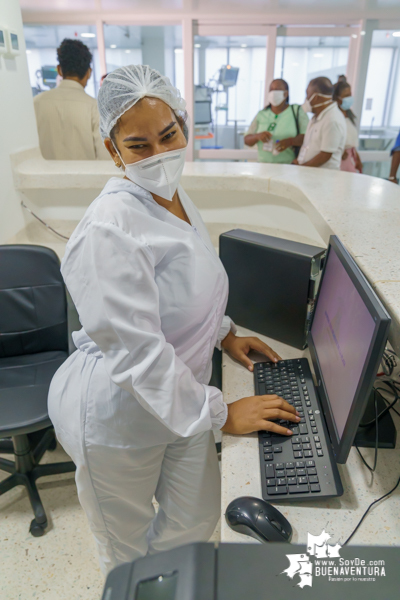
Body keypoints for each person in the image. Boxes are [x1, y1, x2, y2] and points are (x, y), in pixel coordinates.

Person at [47, 65, 300, 575]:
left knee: (195, 518)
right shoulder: (109, 228)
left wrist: (226, 334)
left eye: (169, 134)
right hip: (116, 411)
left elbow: (187, 288)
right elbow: (137, 353)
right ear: (112, 149)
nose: (160, 154)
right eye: (138, 145)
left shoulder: (173, 197)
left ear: (184, 124)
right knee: (127, 550)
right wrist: (223, 414)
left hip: (181, 394)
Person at [33, 39, 109, 160]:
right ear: (89, 72)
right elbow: (105, 157)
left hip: (43, 178)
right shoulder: (95, 108)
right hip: (86, 178)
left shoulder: (35, 103)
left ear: (59, 70)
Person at [244, 79, 308, 164]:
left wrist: (290, 142)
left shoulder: (296, 111)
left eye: (277, 89)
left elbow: (308, 137)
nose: (273, 93)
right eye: (271, 90)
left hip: (288, 166)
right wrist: (257, 136)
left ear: (286, 93)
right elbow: (247, 140)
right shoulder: (262, 114)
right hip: (263, 165)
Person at [296, 77, 346, 170]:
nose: (306, 98)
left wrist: (302, 169)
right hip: (310, 173)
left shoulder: (332, 119)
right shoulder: (316, 117)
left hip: (323, 178)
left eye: (307, 94)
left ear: (316, 97)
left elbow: (325, 155)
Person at [333, 81, 363, 173]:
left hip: (350, 157)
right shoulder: (334, 117)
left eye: (350, 95)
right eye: (346, 96)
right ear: (337, 98)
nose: (349, 98)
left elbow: (351, 142)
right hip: (339, 158)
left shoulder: (349, 116)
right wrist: (340, 151)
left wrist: (357, 158)